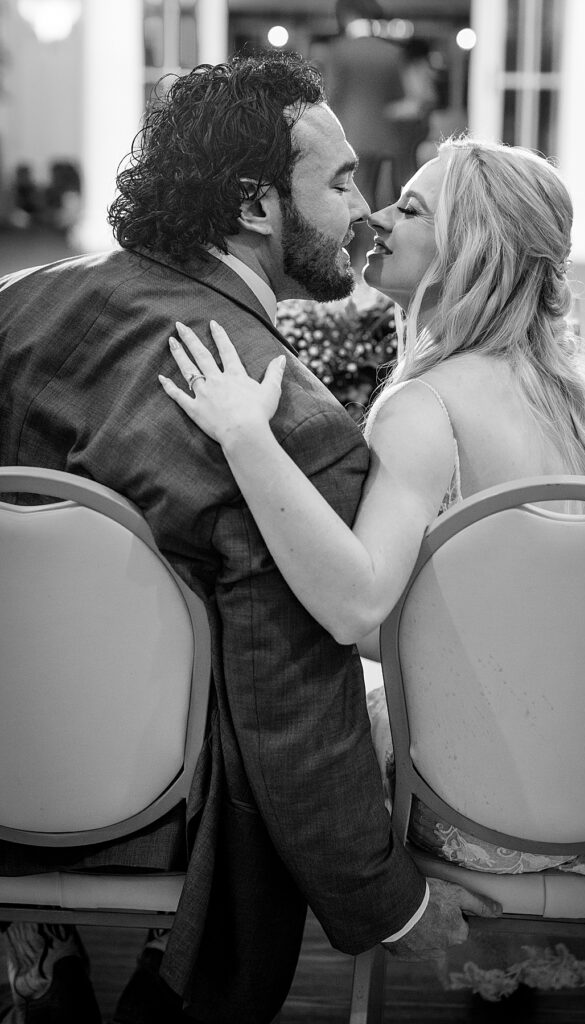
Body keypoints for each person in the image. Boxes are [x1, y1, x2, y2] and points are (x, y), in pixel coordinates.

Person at [0, 55, 497, 1024]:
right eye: (342, 181)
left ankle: (34, 955)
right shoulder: (291, 421)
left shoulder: (20, 305)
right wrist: (388, 905)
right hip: (139, 808)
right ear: (254, 204)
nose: (363, 210)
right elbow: (291, 710)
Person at [158, 135, 585, 872]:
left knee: (254, 738)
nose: (374, 215)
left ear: (469, 249)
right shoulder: (572, 401)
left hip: (486, 798)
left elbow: (358, 612)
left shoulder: (425, 405)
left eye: (408, 209)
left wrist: (245, 437)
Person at [323, 0, 412, 266]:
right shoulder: (392, 53)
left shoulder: (338, 51)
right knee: (384, 197)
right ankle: (384, 255)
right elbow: (397, 96)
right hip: (386, 138)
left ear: (346, 17)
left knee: (351, 198)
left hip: (349, 137)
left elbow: (331, 95)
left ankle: (355, 259)